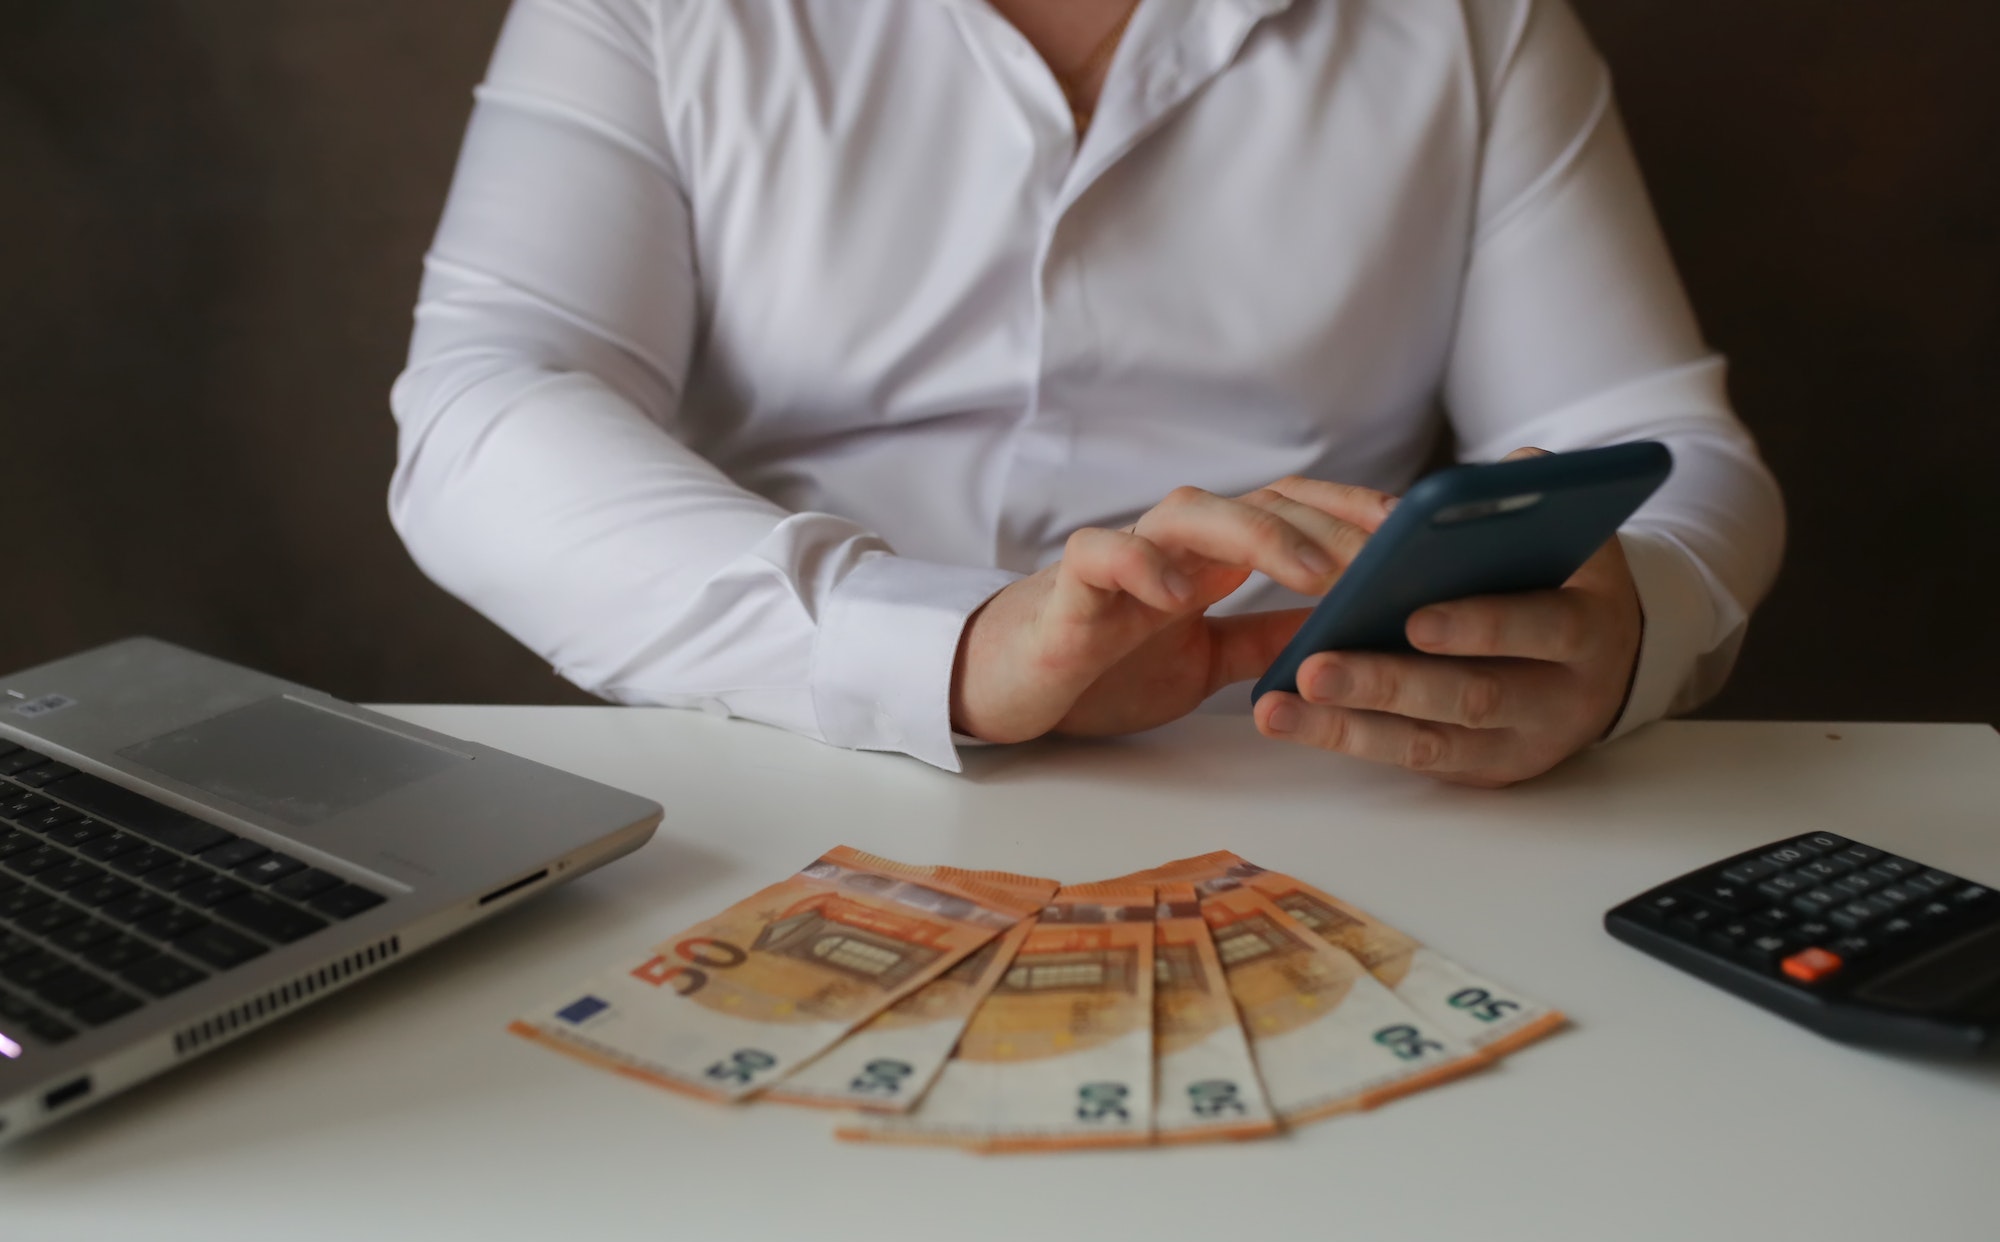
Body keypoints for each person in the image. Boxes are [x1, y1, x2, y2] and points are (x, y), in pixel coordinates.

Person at [389, 0, 1784, 787]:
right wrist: (942, 644)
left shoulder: (1478, 25)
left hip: (1313, 778)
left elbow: (1658, 441)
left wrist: (1625, 629)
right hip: (782, 751)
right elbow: (479, 409)